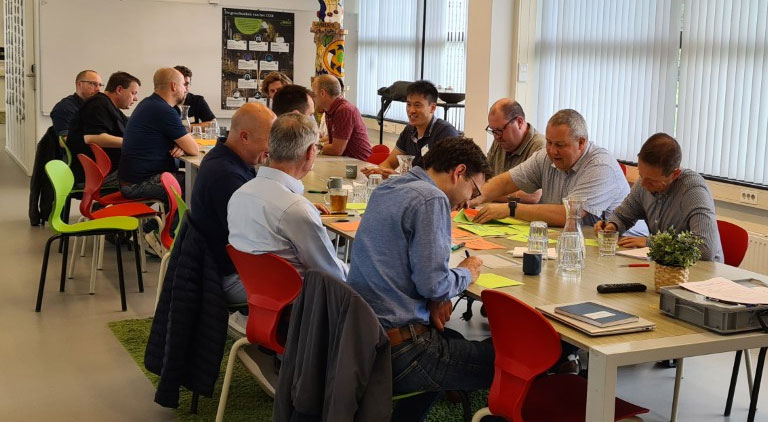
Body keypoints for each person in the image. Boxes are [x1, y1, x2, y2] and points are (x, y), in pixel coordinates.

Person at [347, 136, 494, 421]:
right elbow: (434, 284)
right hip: (402, 351)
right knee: (508, 366)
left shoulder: (389, 187)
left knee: (453, 339)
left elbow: (421, 277)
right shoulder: (432, 199)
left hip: (363, 339)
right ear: (459, 172)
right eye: (473, 190)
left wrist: (436, 295)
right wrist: (467, 271)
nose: (468, 201)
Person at [228, 113, 347, 283]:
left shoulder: (239, 195)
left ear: (270, 145)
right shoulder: (296, 210)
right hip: (301, 296)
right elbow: (332, 274)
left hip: (255, 289)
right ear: (310, 152)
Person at [470, 109, 635, 228]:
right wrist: (473, 197)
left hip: (621, 248)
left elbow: (569, 215)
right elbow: (506, 182)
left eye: (560, 145)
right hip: (569, 239)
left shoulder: (600, 166)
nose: (552, 150)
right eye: (549, 142)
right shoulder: (545, 156)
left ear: (581, 143)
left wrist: (511, 208)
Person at [190, 103, 275, 303]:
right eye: (270, 140)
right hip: (227, 277)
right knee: (314, 292)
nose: (272, 148)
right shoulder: (226, 176)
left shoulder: (227, 160)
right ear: (244, 137)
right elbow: (255, 239)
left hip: (222, 266)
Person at [595, 133, 723, 262]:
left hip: (701, 269)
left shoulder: (693, 190)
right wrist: (612, 226)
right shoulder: (644, 183)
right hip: (665, 265)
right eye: (641, 175)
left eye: (651, 181)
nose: (643, 184)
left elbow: (705, 248)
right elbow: (623, 216)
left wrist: (650, 242)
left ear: (675, 174)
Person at [119, 67, 199, 205]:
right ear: (174, 86)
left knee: (191, 180)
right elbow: (194, 149)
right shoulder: (163, 110)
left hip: (131, 179)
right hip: (139, 183)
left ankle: (170, 218)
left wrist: (179, 144)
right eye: (183, 85)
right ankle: (178, 220)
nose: (186, 89)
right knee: (199, 183)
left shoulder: (149, 103)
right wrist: (183, 144)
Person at [361, 80, 458, 177]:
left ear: (432, 108)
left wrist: (399, 177)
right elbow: (389, 163)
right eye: (408, 104)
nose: (411, 110)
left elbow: (440, 178)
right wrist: (376, 172)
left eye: (417, 105)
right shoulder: (409, 130)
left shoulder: (445, 133)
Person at [65, 71, 140, 186]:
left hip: (107, 170)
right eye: (133, 93)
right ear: (119, 90)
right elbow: (93, 138)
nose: (136, 99)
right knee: (155, 175)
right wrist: (133, 143)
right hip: (96, 174)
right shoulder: (97, 105)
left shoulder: (110, 106)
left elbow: (130, 130)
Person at [484, 98, 546, 203]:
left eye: (499, 130)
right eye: (493, 131)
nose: (496, 137)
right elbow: (483, 179)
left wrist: (487, 194)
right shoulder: (500, 141)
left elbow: (533, 196)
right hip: (496, 210)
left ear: (519, 122)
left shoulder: (540, 146)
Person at [312, 74, 372, 160]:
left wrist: (311, 148)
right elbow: (335, 141)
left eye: (314, 93)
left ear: (322, 93)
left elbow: (337, 150)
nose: (313, 97)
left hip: (359, 163)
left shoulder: (344, 110)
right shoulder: (330, 110)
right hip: (346, 160)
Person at [50, 69, 103, 136]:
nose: (98, 89)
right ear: (79, 84)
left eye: (100, 85)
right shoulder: (64, 108)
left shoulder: (97, 108)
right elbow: (66, 140)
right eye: (93, 84)